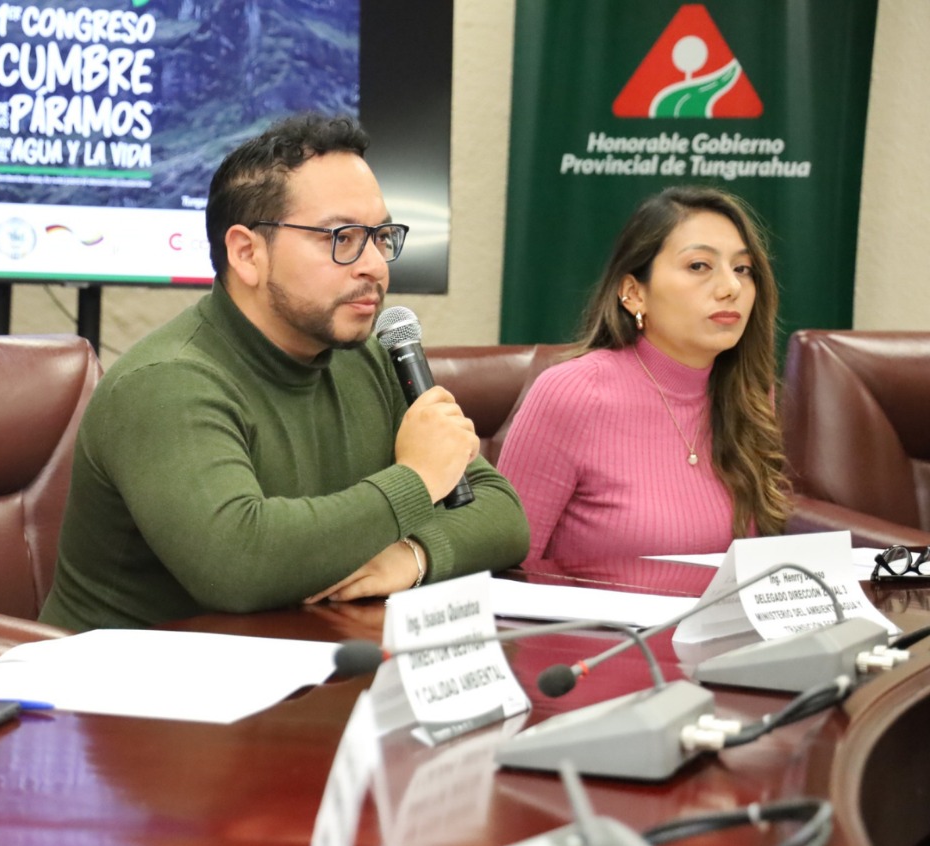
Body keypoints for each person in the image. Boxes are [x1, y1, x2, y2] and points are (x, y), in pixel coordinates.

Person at [40, 114, 529, 631]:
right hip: (123, 693)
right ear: (247, 253)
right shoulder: (167, 383)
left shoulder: (369, 357)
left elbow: (502, 514)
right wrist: (416, 479)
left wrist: (413, 555)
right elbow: (238, 563)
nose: (375, 266)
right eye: (341, 237)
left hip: (298, 668)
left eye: (381, 236)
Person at [496, 186, 790, 560]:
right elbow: (504, 571)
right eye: (699, 266)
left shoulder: (749, 393)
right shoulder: (571, 394)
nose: (731, 287)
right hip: (595, 619)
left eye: (742, 269)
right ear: (634, 293)